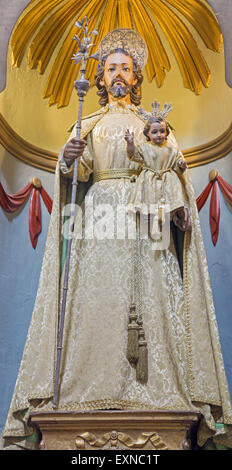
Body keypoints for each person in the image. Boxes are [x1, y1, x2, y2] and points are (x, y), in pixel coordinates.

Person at [2, 28, 232, 450]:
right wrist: (68, 161)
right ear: (101, 79)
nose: (119, 74)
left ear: (137, 76)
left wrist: (179, 206)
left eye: (126, 67)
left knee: (154, 297)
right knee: (94, 297)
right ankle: (86, 388)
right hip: (100, 218)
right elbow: (78, 174)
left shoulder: (154, 125)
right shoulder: (87, 123)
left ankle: (158, 390)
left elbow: (173, 167)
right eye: (111, 68)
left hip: (148, 219)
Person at [124, 105, 191, 236]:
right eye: (154, 132)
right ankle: (151, 222)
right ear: (147, 134)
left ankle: (182, 218)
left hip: (169, 180)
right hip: (150, 180)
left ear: (167, 133)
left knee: (177, 201)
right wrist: (130, 143)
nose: (159, 135)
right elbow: (133, 155)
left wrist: (181, 165)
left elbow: (177, 165)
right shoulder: (145, 147)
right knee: (150, 203)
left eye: (162, 131)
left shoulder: (172, 149)